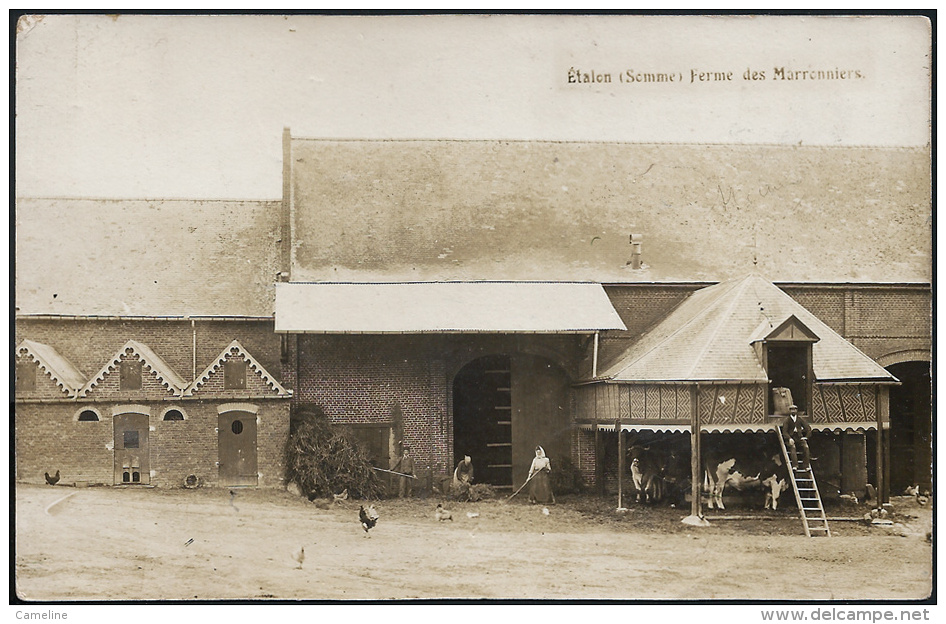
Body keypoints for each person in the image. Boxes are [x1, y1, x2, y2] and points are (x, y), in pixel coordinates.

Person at [780, 404, 812, 470]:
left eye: (794, 409)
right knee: (793, 447)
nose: (793, 411)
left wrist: (806, 437)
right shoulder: (787, 420)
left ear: (796, 410)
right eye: (791, 410)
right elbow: (785, 432)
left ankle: (806, 466)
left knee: (806, 447)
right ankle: (795, 465)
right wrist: (789, 438)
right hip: (791, 438)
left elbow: (808, 428)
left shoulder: (800, 419)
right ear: (790, 411)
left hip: (799, 437)